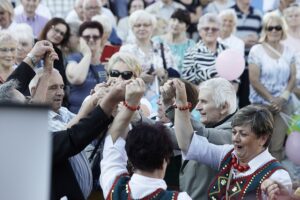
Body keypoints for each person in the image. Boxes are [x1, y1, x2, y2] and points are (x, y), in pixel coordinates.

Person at [173, 78, 292, 199]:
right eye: (234, 132)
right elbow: (187, 143)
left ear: (262, 138)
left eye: (243, 134)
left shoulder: (277, 176)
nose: (235, 138)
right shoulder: (228, 154)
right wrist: (181, 103)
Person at [100, 78, 192, 200]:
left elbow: (113, 141)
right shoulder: (180, 199)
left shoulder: (113, 185)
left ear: (130, 158)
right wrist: (181, 101)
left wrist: (129, 103)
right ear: (165, 159)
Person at [160, 77, 237, 199]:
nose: (197, 107)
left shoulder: (234, 133)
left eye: (204, 102)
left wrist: (181, 103)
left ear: (223, 107)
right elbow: (180, 135)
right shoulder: (211, 125)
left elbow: (195, 134)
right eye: (198, 101)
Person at [248, 12, 296, 161]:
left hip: (283, 105)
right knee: (258, 145)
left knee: (276, 146)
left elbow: (293, 77)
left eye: (278, 27)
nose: (274, 31)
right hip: (261, 105)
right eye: (270, 28)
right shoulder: (256, 50)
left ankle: (275, 179)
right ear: (265, 30)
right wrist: (272, 99)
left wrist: (282, 98)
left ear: (283, 29)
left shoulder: (289, 51)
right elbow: (254, 80)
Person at [120, 10, 178, 107]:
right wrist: (138, 78)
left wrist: (164, 72)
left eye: (146, 25)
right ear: (132, 28)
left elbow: (176, 75)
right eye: (138, 25)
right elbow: (120, 78)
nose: (142, 28)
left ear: (152, 27)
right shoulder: (125, 50)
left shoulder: (163, 48)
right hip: (133, 101)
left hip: (161, 102)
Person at [66, 21, 106, 113]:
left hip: (102, 116)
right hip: (77, 115)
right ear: (80, 39)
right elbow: (77, 78)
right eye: (87, 37)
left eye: (95, 37)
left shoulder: (106, 62)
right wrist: (87, 54)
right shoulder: (74, 58)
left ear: (101, 39)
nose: (91, 40)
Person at [231, 0, 263, 108]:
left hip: (250, 67)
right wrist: (241, 42)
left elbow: (263, 37)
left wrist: (257, 40)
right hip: (231, 67)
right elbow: (223, 37)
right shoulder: (229, 13)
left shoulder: (258, 14)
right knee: (229, 103)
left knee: (246, 103)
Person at [182, 13, 226, 85]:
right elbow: (187, 80)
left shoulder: (227, 50)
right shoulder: (191, 52)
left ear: (219, 31)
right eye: (206, 28)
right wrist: (211, 73)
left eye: (214, 29)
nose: (210, 31)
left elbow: (235, 79)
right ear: (199, 31)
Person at [152, 9, 195, 73]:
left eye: (180, 22)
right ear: (169, 21)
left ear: (187, 27)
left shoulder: (191, 45)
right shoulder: (156, 41)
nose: (175, 24)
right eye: (173, 20)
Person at [39, 17, 71, 85]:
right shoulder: (33, 44)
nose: (58, 35)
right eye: (56, 30)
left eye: (62, 34)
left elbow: (61, 78)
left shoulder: (58, 53)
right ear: (48, 27)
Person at [283, 5, 300, 98]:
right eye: (290, 16)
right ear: (285, 18)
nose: (294, 18)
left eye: (297, 15)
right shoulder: (282, 37)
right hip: (289, 85)